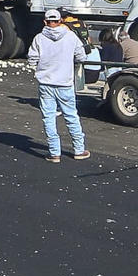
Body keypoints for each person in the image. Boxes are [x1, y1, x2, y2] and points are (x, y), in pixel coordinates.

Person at [27, 9, 89, 162]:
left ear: (45, 22)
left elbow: (32, 59)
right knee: (71, 116)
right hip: (65, 83)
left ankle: (54, 153)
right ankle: (79, 150)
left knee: (48, 118)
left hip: (46, 83)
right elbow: (81, 56)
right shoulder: (70, 36)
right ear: (61, 21)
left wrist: (38, 69)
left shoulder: (39, 38)